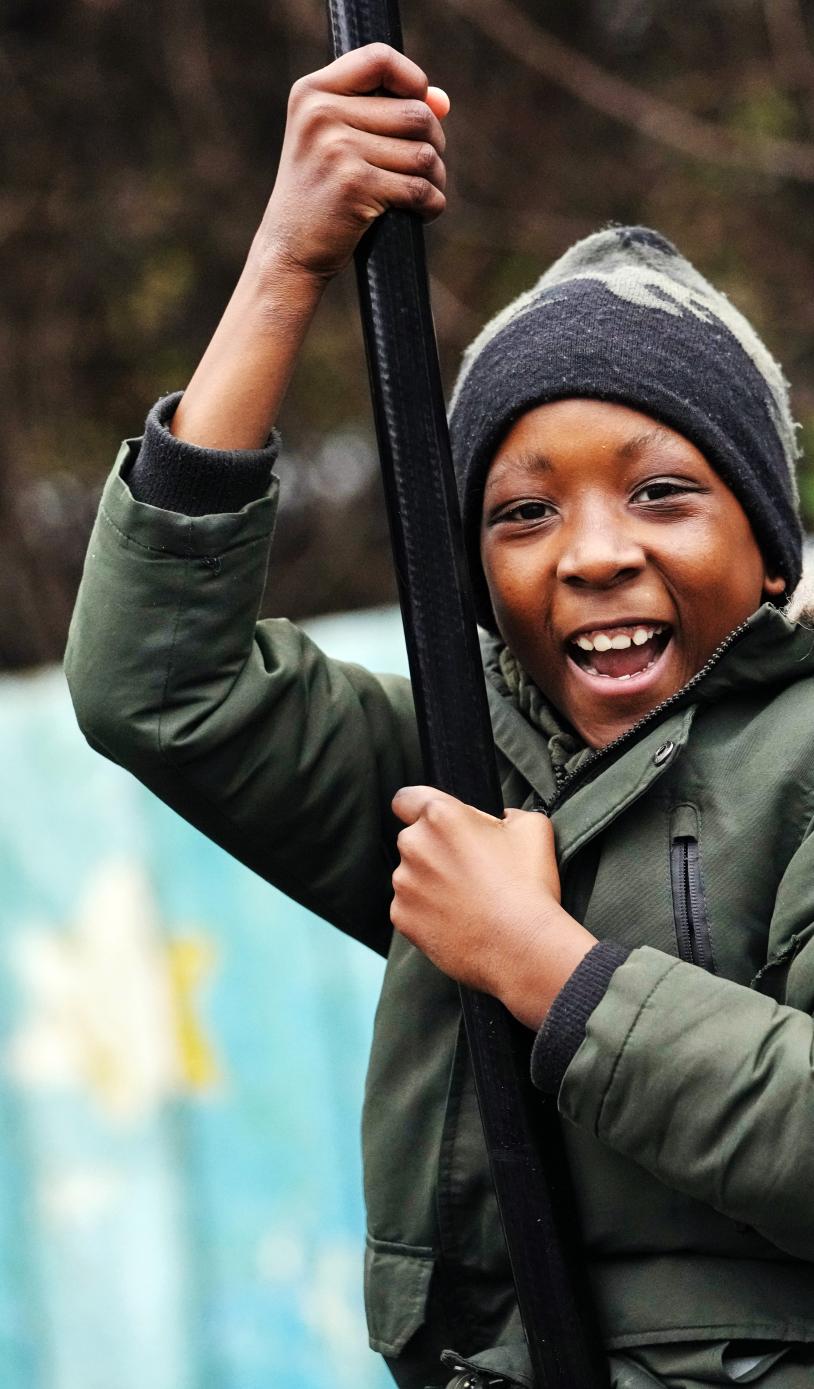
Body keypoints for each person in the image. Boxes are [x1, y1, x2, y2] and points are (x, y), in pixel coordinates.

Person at [65, 41, 814, 1389]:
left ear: (769, 547)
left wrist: (546, 966)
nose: (588, 553)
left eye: (660, 492)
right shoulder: (454, 773)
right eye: (521, 512)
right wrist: (290, 263)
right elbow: (154, 684)